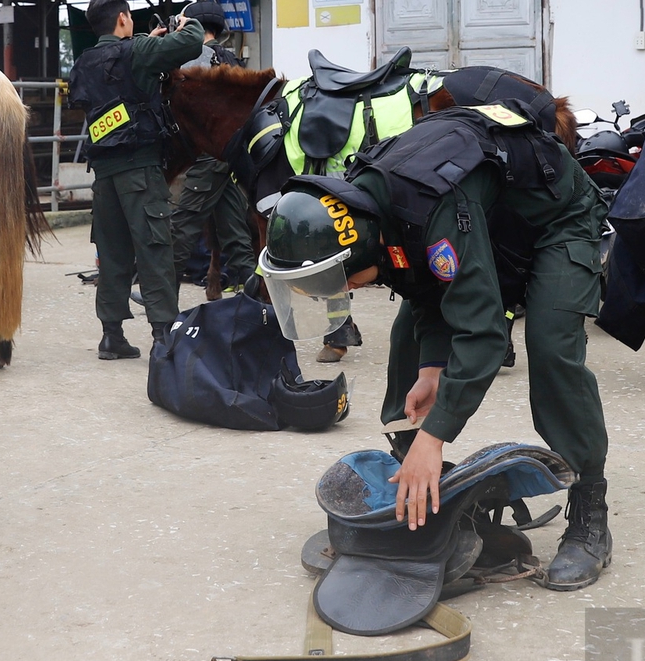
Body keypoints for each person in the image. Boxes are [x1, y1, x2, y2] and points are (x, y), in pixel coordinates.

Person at [257, 103, 613, 589]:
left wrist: (438, 432)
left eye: (341, 282)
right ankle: (420, 484)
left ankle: (590, 510)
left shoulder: (428, 209)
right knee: (408, 336)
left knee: (551, 347)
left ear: (359, 249)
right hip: (486, 224)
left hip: (555, 222)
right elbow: (422, 285)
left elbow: (483, 332)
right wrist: (430, 368)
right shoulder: (374, 202)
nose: (347, 292)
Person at [66, 0, 204, 358]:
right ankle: (163, 336)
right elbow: (190, 44)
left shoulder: (84, 62)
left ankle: (111, 337)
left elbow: (114, 83)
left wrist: (147, 44)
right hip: (140, 169)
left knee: (112, 253)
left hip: (104, 175)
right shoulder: (138, 51)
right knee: (154, 248)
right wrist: (188, 23)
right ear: (124, 19)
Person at [167, 1, 257, 294]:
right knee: (231, 226)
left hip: (206, 155)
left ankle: (163, 290)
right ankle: (254, 284)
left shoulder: (198, 57)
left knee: (185, 220)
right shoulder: (230, 57)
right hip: (229, 154)